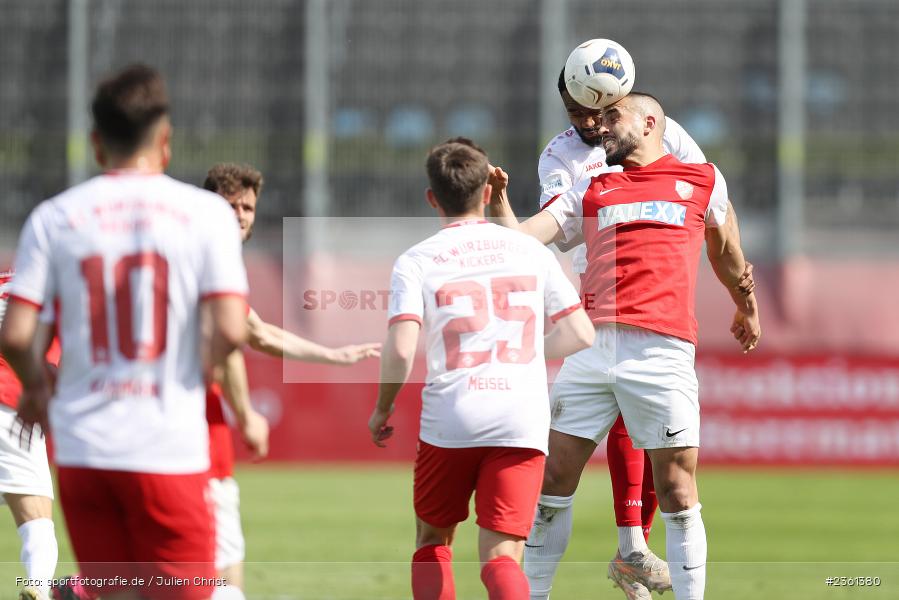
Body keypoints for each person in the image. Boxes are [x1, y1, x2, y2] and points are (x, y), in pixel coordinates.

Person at [488, 93, 761, 600]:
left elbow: (726, 252)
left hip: (662, 350)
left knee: (679, 490)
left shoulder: (701, 178)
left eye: (613, 116)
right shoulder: (592, 188)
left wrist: (746, 306)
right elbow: (527, 240)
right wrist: (500, 203)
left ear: (650, 122)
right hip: (590, 348)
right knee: (551, 482)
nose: (600, 126)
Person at [0, 64, 250, 600]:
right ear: (165, 142)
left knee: (115, 590)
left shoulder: (55, 217)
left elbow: (18, 336)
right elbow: (230, 328)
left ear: (94, 143)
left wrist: (39, 390)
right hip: (168, 445)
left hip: (86, 450)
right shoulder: (206, 215)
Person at [368, 137, 595, 600]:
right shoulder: (530, 252)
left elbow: (401, 345)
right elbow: (581, 334)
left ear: (432, 197)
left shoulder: (416, 260)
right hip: (520, 419)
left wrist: (382, 409)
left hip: (451, 418)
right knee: (502, 556)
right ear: (487, 192)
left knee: (433, 543)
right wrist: (530, 353)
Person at [200, 163, 381, 598]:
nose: (241, 215)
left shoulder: (189, 258)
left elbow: (256, 332)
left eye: (248, 207)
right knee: (224, 571)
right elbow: (234, 343)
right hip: (196, 432)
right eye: (230, 205)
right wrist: (246, 416)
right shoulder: (210, 263)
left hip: (163, 430)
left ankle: (84, 588)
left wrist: (330, 355)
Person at [0, 271, 59, 600]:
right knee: (37, 520)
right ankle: (38, 587)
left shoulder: (4, 283)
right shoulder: (60, 281)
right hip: (10, 401)